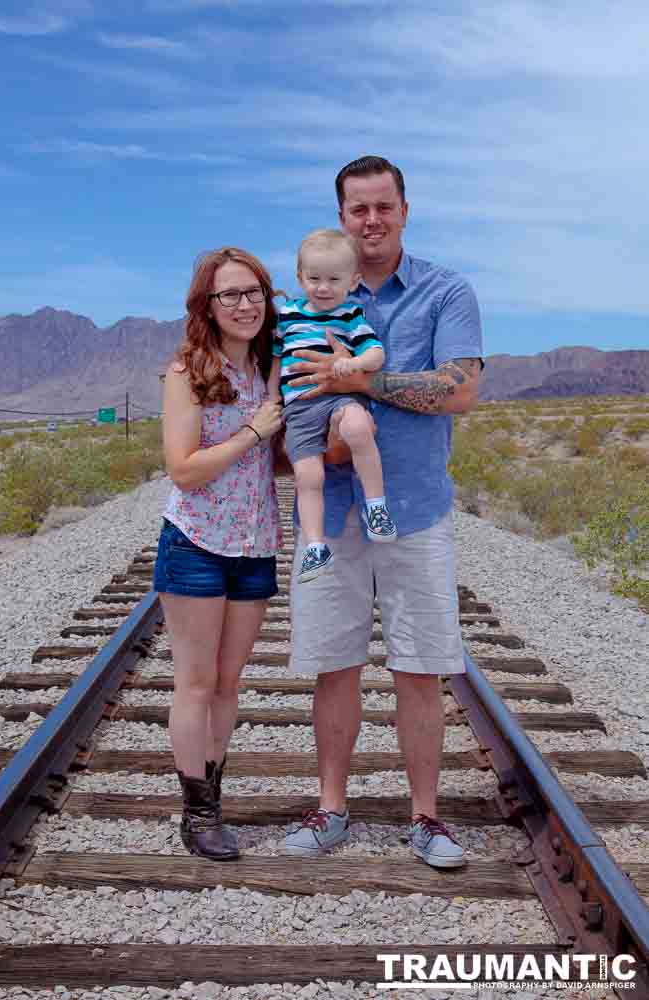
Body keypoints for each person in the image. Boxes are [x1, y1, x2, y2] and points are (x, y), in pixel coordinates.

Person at [282, 156, 483, 868]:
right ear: (341, 216)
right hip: (332, 511)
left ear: (404, 209)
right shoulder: (312, 294)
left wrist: (359, 381)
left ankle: (425, 818)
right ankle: (331, 807)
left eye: (382, 206)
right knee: (334, 666)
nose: (371, 220)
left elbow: (458, 390)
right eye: (357, 209)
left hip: (415, 510)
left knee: (419, 669)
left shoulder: (444, 292)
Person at [153, 247, 283, 861]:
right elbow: (183, 469)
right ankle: (198, 814)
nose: (245, 304)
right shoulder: (188, 371)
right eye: (230, 294)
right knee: (197, 682)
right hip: (197, 543)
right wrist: (254, 431)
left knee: (229, 684)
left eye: (254, 292)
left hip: (255, 545)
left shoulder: (272, 367)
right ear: (207, 305)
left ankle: (214, 795)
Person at [268, 228, 397, 584]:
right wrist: (271, 397)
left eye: (334, 280)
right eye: (314, 279)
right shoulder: (287, 315)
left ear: (353, 281)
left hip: (340, 398)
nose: (323, 288)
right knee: (308, 477)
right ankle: (315, 546)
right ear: (300, 277)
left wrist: (353, 364)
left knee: (357, 427)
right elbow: (277, 358)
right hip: (299, 410)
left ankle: (376, 507)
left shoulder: (350, 315)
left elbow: (376, 353)